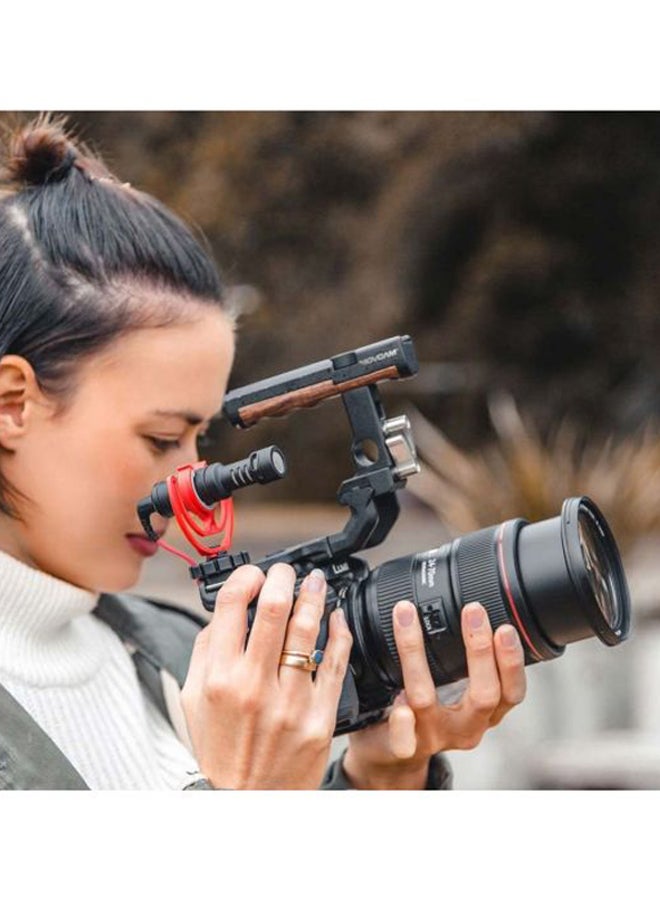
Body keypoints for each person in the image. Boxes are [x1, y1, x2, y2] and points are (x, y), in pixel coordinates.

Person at [0, 114, 527, 790]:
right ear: (13, 402)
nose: (196, 480)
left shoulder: (180, 651)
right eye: (161, 438)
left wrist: (377, 781)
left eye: (201, 440)